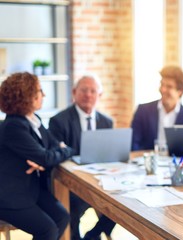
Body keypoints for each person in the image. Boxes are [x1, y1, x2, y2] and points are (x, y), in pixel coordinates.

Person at [0, 72, 73, 240]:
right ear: (28, 96)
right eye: (40, 91)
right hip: (10, 195)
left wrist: (51, 154)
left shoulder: (33, 119)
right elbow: (46, 157)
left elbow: (51, 147)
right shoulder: (14, 126)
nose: (44, 95)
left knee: (62, 217)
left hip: (30, 188)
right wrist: (65, 150)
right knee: (47, 230)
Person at [49, 74, 113, 240]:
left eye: (93, 91)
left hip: (102, 182)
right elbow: (57, 156)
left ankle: (92, 235)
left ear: (100, 95)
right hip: (73, 184)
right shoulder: (58, 121)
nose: (88, 95)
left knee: (122, 206)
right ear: (74, 92)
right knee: (72, 209)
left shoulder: (107, 122)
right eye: (84, 90)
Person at [131, 65, 183, 151]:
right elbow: (133, 145)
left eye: (169, 87)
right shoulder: (143, 111)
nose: (163, 89)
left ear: (180, 91)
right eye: (162, 84)